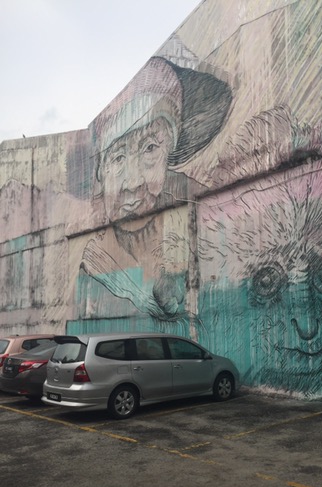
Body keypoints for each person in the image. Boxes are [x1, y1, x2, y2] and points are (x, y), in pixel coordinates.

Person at [77, 56, 232, 324]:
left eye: (150, 149)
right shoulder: (95, 261)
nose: (133, 183)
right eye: (118, 158)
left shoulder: (206, 220)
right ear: (100, 173)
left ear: (168, 155)